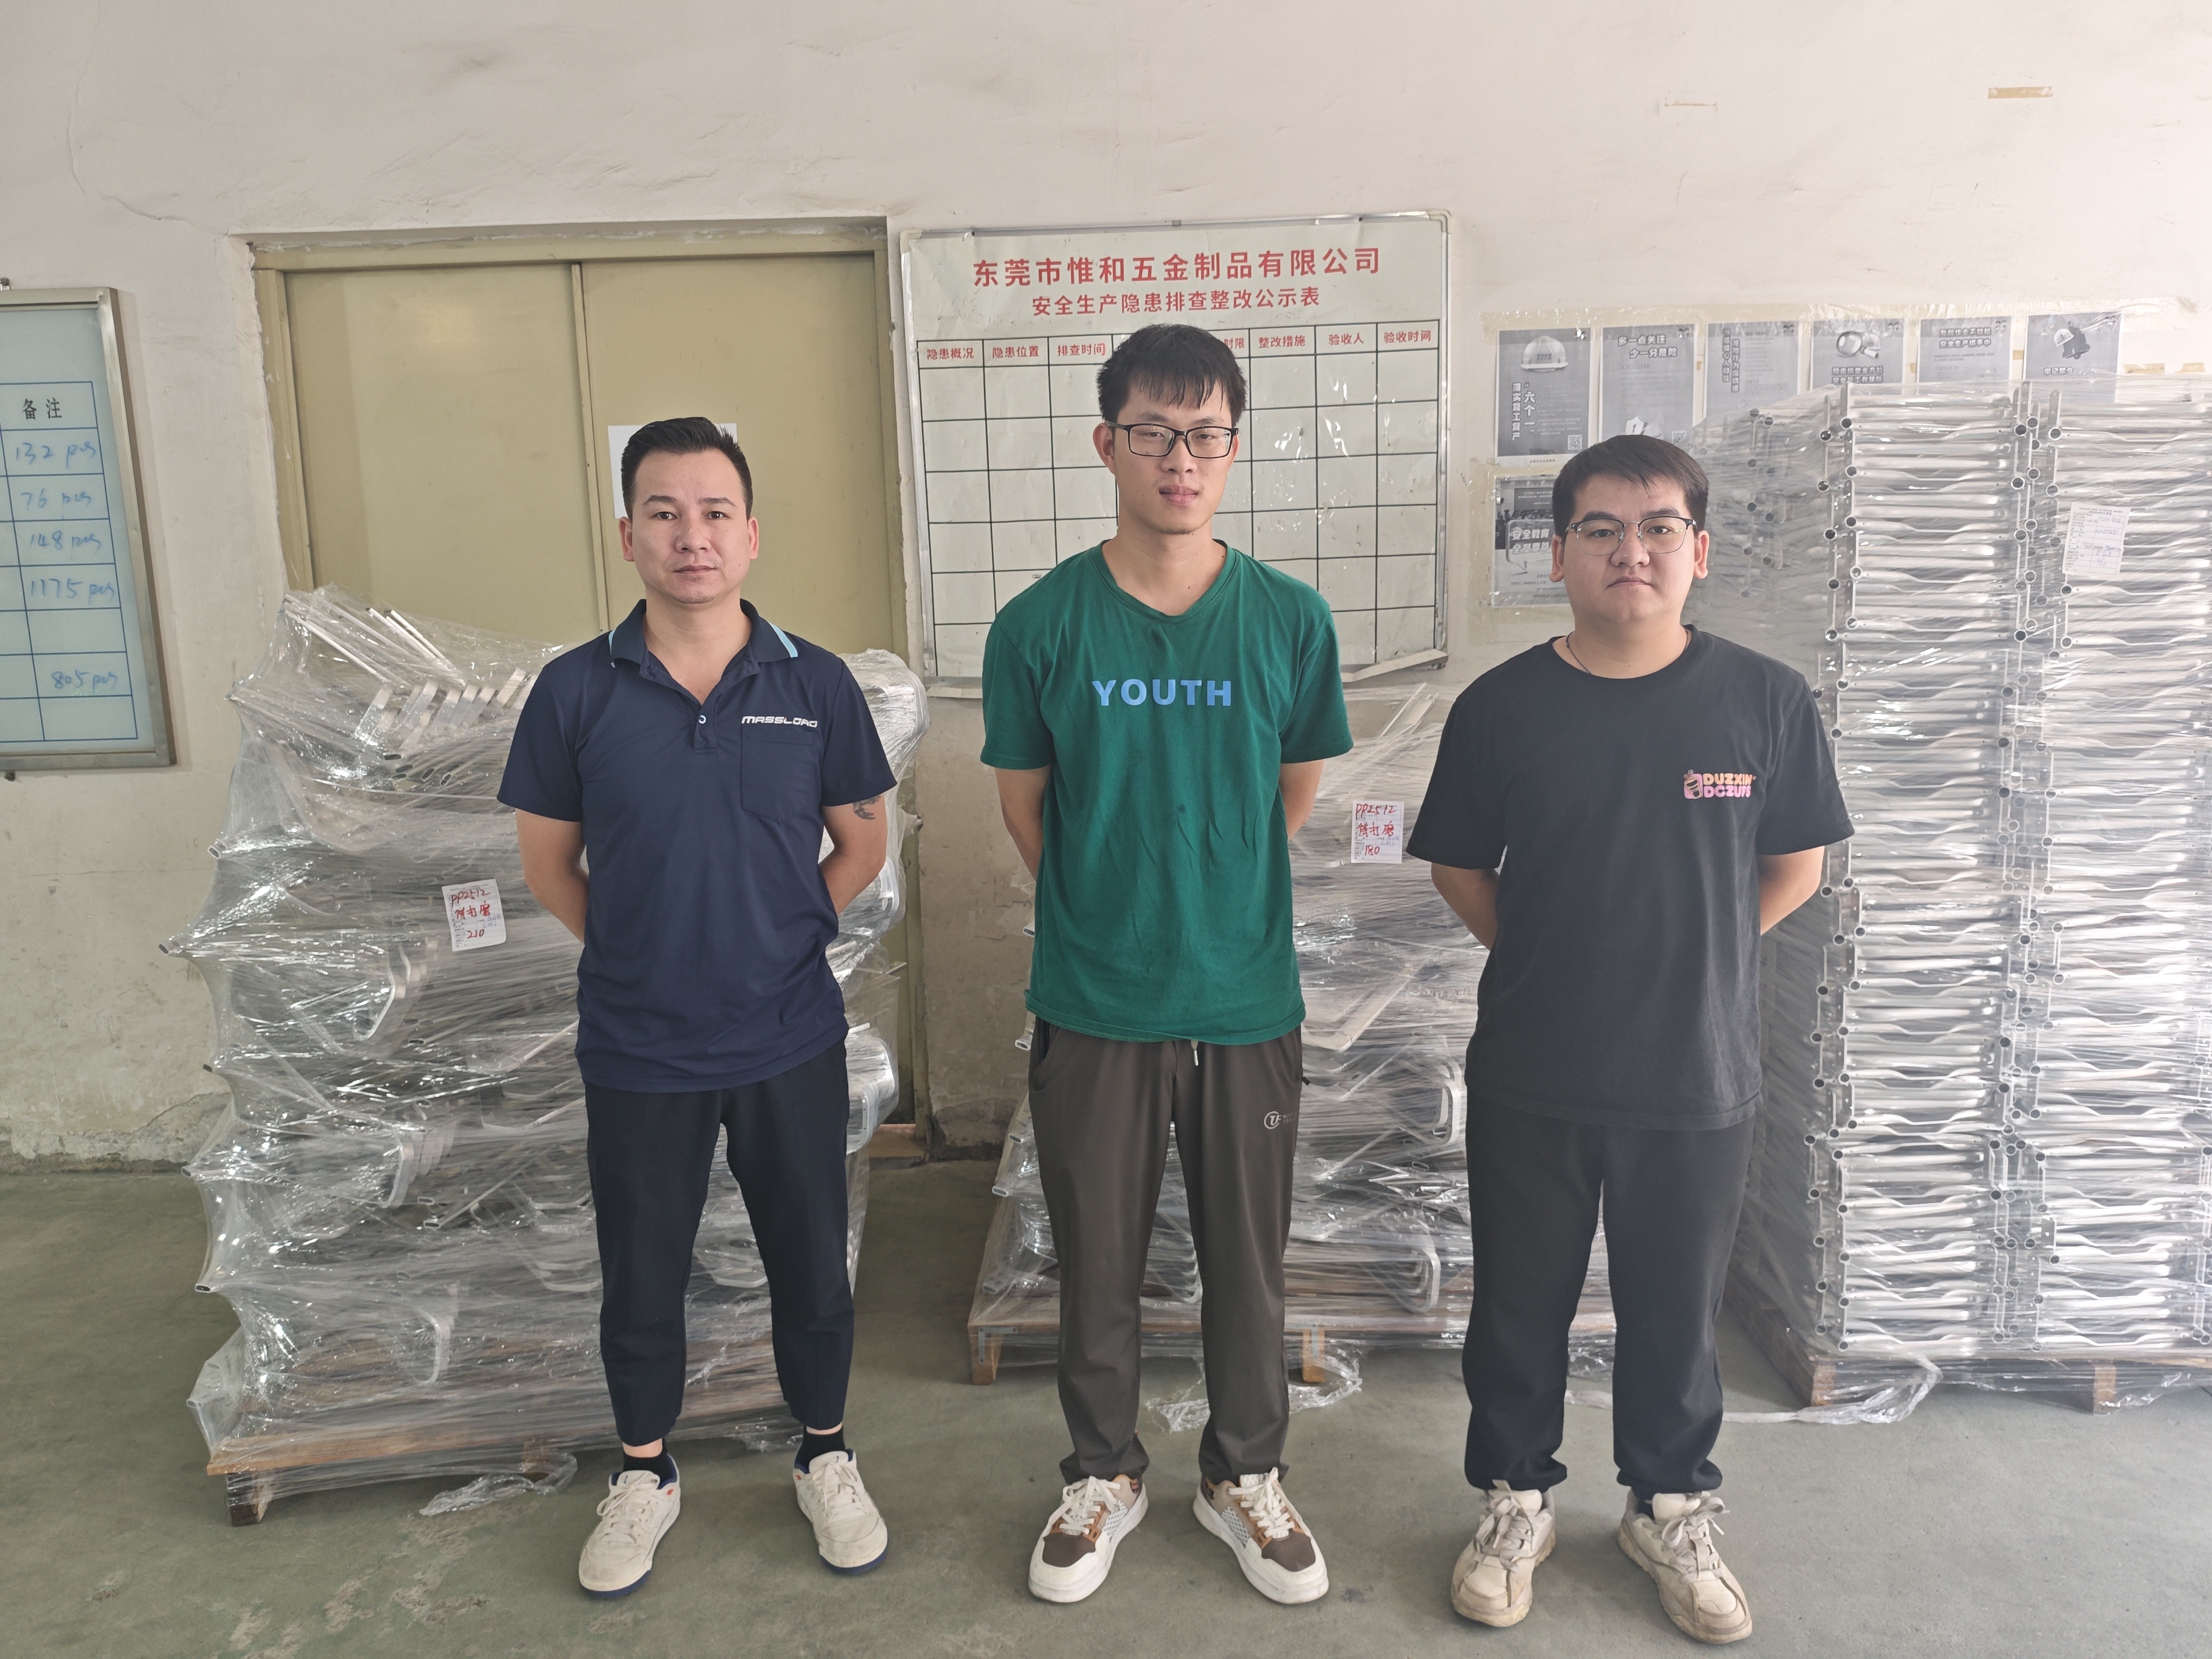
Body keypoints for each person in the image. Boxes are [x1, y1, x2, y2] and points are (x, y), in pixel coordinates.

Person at [1407, 434, 1852, 1644]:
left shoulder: (1764, 700)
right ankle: (1515, 1500)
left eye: (1658, 528)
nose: (1630, 551)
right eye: (1600, 529)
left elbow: (1795, 867)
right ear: (1556, 554)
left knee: (1675, 1312)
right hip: (1533, 1071)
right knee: (1518, 1306)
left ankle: (1668, 1506)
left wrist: (1695, 955)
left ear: (1698, 551)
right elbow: (1458, 867)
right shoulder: (1501, 708)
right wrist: (1555, 958)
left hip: (1695, 1074)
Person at [981, 324, 1353, 1607]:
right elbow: (1025, 807)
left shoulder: (1289, 620)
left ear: (1233, 449)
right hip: (1096, 998)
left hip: (1244, 996)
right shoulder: (1039, 624)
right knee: (1096, 1255)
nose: (1179, 459)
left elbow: (1287, 796)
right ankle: (1103, 1473)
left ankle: (1242, 1472)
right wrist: (1117, 908)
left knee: (1247, 1259)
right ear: (1108, 445)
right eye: (1152, 433)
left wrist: (1207, 898)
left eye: (1204, 435)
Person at [501, 417, 899, 1597]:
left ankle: (824, 1453)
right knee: (641, 1273)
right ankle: (645, 1472)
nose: (692, 536)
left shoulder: (813, 683)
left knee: (809, 1265)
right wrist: (643, 954)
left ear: (751, 534)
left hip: (788, 1036)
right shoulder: (575, 690)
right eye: (665, 513)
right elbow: (548, 865)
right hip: (638, 1045)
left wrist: (785, 936)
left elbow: (862, 842)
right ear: (626, 534)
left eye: (715, 512)